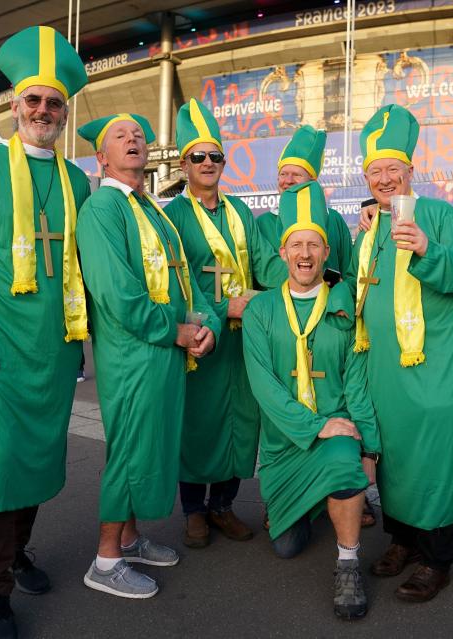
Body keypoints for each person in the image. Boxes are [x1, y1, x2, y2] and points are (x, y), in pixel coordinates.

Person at [0, 26, 92, 639]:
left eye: (54, 102)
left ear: (64, 111)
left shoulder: (78, 182)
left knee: (36, 459)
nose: (43, 111)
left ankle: (19, 550)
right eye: (33, 100)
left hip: (52, 352)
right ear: (13, 104)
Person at [75, 113, 221, 598]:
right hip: (133, 354)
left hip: (163, 351)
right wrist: (174, 330)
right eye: (122, 136)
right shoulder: (103, 208)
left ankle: (131, 538)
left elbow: (180, 281)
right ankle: (106, 559)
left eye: (138, 135)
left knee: (147, 448)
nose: (134, 140)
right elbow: (118, 294)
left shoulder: (150, 208)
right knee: (127, 451)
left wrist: (200, 326)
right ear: (102, 157)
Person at [346, 104, 453, 602]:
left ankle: (437, 558)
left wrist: (429, 249)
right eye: (375, 171)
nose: (384, 178)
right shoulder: (368, 228)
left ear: (412, 171)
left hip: (431, 369)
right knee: (393, 460)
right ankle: (403, 540)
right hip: (381, 370)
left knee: (432, 460)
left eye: (393, 169)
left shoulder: (441, 214)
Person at [243, 181, 380, 619]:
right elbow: (264, 386)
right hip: (286, 440)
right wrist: (314, 425)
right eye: (296, 244)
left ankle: (347, 563)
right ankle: (320, 503)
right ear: (282, 254)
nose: (305, 253)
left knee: (344, 456)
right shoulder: (260, 310)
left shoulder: (344, 312)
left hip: (336, 430)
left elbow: (356, 386)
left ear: (326, 255)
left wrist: (369, 447)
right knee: (286, 546)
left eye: (314, 245)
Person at [163, 98, 287, 548]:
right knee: (199, 423)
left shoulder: (240, 212)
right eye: (199, 156)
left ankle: (223, 505)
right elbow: (177, 280)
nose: (209, 163)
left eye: (216, 155)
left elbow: (263, 264)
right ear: (184, 163)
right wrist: (219, 312)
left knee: (241, 420)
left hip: (243, 338)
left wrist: (297, 281)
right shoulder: (171, 216)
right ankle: (194, 510)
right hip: (202, 333)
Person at [256, 125, 352, 277]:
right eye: (283, 174)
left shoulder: (334, 220)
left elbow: (348, 271)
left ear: (312, 180)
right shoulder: (263, 223)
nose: (288, 181)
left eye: (296, 175)